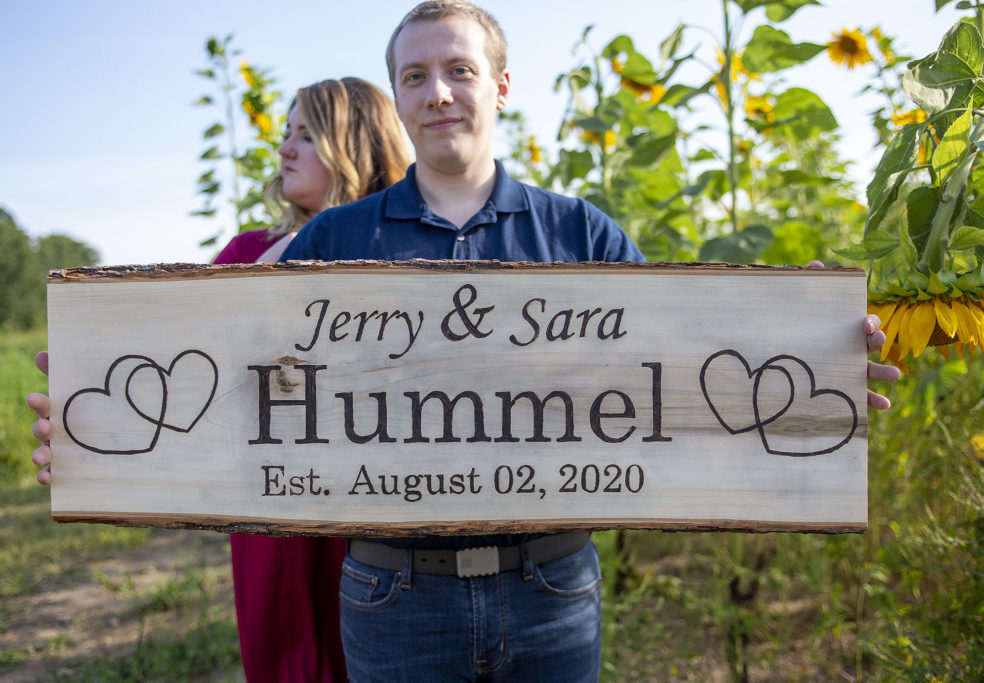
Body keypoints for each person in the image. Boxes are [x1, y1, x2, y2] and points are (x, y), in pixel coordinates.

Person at [274, 2, 901, 680]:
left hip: (551, 587)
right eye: (416, 76)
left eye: (460, 70)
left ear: (501, 86)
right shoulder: (332, 243)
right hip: (394, 596)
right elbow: (250, 370)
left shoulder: (581, 234)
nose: (439, 93)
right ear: (397, 95)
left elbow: (675, 358)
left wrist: (796, 346)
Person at [28, 76, 411, 683]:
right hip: (272, 516)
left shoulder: (411, 255)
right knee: (290, 654)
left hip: (378, 513)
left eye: (306, 136)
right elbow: (177, 362)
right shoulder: (246, 251)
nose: (284, 149)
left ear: (357, 145)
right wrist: (87, 430)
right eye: (285, 134)